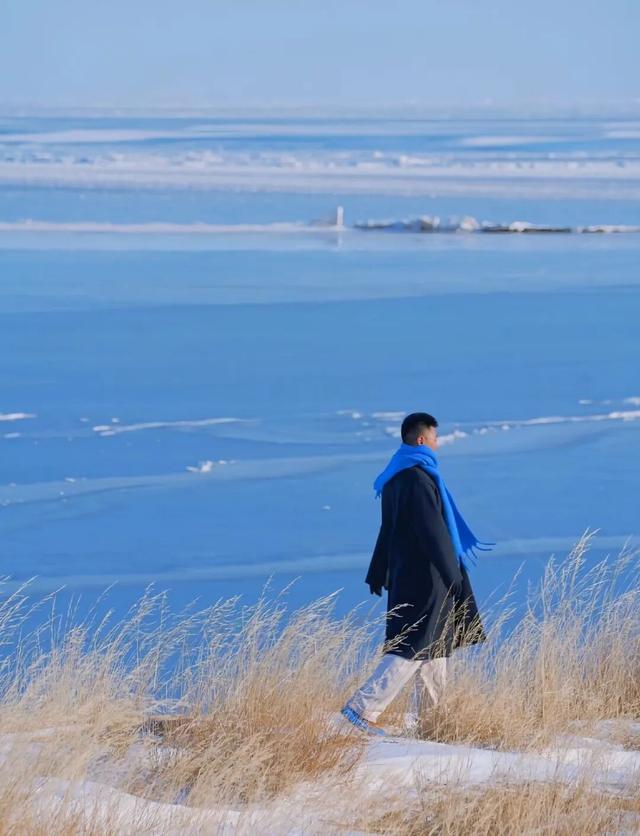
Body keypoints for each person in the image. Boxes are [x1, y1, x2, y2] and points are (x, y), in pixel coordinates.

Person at [341, 412, 492, 736]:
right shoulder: (418, 479)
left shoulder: (395, 476)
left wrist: (378, 569)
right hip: (427, 575)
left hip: (408, 571)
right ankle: (362, 708)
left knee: (436, 647)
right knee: (413, 643)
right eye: (436, 438)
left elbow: (388, 528)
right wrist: (454, 576)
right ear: (422, 439)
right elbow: (433, 532)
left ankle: (432, 724)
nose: (438, 444)